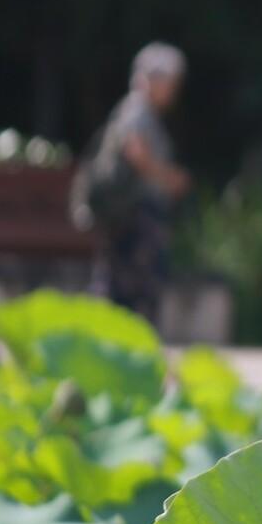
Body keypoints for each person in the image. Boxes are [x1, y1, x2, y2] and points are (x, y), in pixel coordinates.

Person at [72, 42, 191, 322]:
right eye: (170, 81)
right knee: (132, 288)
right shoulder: (137, 109)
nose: (173, 89)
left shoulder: (138, 110)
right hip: (135, 215)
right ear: (152, 79)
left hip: (132, 214)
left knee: (119, 285)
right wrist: (169, 178)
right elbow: (135, 152)